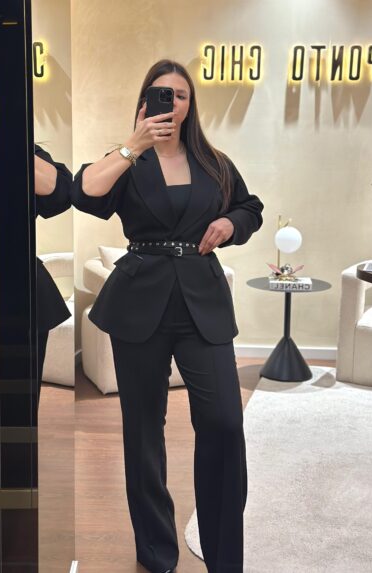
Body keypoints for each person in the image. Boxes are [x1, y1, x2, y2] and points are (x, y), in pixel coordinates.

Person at [72, 60, 264, 573]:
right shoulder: (127, 161)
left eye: (180, 95)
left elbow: (251, 208)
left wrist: (230, 222)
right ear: (144, 100)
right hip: (140, 302)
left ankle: (225, 556)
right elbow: (83, 192)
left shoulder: (213, 162)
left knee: (224, 423)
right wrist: (132, 145)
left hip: (203, 302)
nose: (171, 102)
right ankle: (157, 553)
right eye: (161, 93)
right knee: (143, 432)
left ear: (190, 104)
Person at [34, 144, 72, 396]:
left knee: (18, 395)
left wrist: (8, 140)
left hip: (18, 284)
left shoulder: (25, 149)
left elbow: (60, 194)